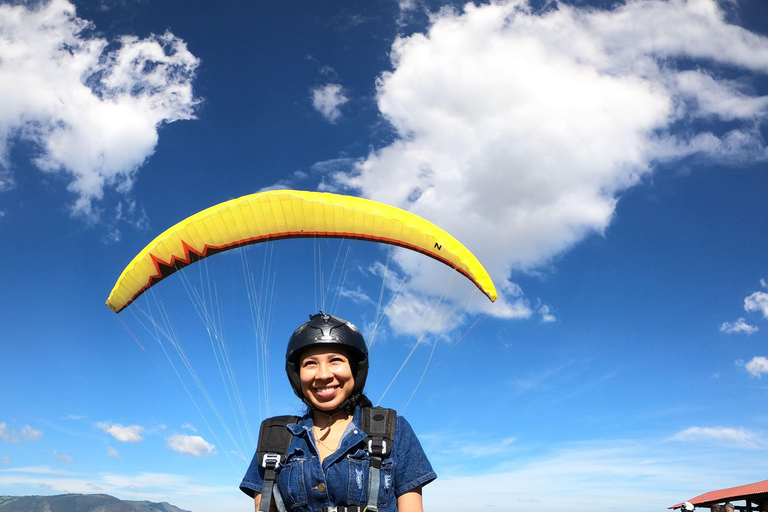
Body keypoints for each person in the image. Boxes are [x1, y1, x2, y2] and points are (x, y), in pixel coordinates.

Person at [240, 312, 436, 512]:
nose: (323, 374)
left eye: (335, 360)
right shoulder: (275, 439)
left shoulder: (393, 430)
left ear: (355, 370)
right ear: (297, 375)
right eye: (310, 363)